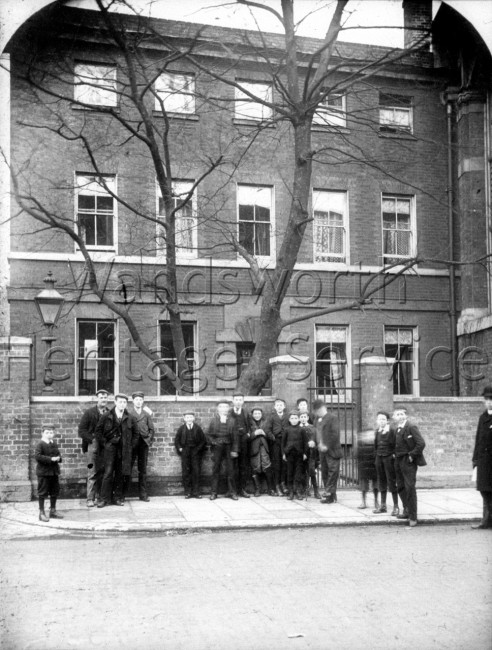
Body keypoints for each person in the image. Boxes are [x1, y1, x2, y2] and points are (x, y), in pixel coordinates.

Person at [95, 393, 139, 508]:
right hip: (110, 449)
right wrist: (105, 444)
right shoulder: (107, 416)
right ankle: (104, 499)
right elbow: (98, 431)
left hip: (124, 450)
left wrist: (131, 446)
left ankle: (117, 498)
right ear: (115, 402)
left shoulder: (130, 418)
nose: (122, 404)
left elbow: (136, 434)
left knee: (120, 474)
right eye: (120, 402)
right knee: (108, 473)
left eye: (124, 402)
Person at [393, 406, 426, 527]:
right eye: (398, 414)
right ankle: (406, 509)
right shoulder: (397, 429)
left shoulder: (411, 427)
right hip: (398, 460)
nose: (400, 416)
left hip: (408, 461)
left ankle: (413, 516)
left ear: (406, 416)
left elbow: (421, 443)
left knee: (410, 487)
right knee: (400, 486)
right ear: (394, 417)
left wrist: (412, 455)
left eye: (402, 414)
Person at [78, 388, 109, 507]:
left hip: (104, 447)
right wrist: (92, 439)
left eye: (105, 398)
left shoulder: (109, 413)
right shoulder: (89, 413)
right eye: (101, 397)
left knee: (102, 471)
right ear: (97, 398)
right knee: (92, 472)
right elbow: (81, 431)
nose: (103, 400)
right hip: (92, 446)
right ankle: (89, 499)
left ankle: (99, 497)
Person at [312, 399, 342, 504]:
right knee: (324, 473)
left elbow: (335, 434)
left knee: (332, 472)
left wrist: (326, 445)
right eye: (316, 411)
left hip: (332, 450)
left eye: (318, 410)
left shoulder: (332, 418)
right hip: (321, 451)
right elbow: (315, 432)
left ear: (323, 408)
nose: (317, 413)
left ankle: (329, 494)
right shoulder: (316, 419)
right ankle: (331, 495)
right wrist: (314, 442)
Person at [207, 400, 238, 500]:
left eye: (226, 407)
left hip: (229, 446)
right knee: (216, 468)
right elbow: (209, 435)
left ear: (228, 409)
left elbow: (235, 437)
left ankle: (232, 492)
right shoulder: (213, 420)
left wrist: (234, 450)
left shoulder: (232, 420)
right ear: (218, 409)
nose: (224, 409)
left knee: (231, 469)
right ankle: (214, 492)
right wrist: (214, 442)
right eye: (221, 407)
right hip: (217, 447)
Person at [127, 391, 155, 501]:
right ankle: (124, 493)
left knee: (142, 469)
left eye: (140, 400)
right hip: (132, 444)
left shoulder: (146, 415)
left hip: (143, 444)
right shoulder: (129, 414)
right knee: (128, 467)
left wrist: (148, 439)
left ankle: (143, 494)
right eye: (136, 400)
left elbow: (152, 429)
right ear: (133, 401)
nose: (138, 402)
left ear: (143, 401)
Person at [471, 386, 492, 530]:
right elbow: (478, 440)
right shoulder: (482, 417)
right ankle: (486, 521)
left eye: (491, 399)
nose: (489, 402)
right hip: (484, 462)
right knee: (484, 491)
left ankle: (487, 521)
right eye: (487, 399)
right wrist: (475, 460)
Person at [174, 411, 206, 499]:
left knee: (196, 471)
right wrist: (180, 448)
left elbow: (203, 441)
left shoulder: (197, 428)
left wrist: (198, 449)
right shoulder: (181, 428)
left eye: (191, 417)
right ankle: (187, 492)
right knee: (186, 472)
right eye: (187, 417)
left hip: (195, 452)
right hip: (185, 451)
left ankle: (196, 492)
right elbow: (177, 440)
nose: (189, 419)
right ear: (184, 419)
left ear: (193, 418)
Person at [35, 424, 63, 522]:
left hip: (54, 472)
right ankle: (41, 513)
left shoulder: (53, 443)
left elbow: (58, 454)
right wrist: (51, 459)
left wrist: (59, 458)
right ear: (42, 433)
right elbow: (38, 457)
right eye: (47, 432)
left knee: (54, 491)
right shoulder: (40, 444)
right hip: (44, 472)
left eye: (51, 432)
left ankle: (53, 510)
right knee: (42, 492)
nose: (49, 434)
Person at [373, 411, 399, 516]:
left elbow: (396, 445)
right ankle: (383, 506)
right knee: (381, 481)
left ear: (387, 421)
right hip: (379, 459)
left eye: (383, 419)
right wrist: (376, 457)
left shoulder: (392, 431)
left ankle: (396, 506)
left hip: (389, 459)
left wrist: (392, 455)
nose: (381, 421)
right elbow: (375, 446)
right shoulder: (377, 432)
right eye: (379, 419)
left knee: (391, 482)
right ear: (377, 421)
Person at [229, 392, 253, 497]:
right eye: (236, 400)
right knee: (233, 467)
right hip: (233, 443)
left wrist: (248, 434)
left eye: (240, 400)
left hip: (243, 443)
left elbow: (251, 426)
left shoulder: (246, 413)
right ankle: (232, 491)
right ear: (233, 401)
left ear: (243, 401)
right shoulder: (229, 413)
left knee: (243, 466)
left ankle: (242, 489)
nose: (238, 402)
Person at [282, 410, 308, 500]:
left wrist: (304, 453)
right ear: (289, 419)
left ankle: (297, 491)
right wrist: (283, 453)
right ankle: (291, 492)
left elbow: (305, 442)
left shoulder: (302, 430)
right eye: (292, 418)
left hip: (299, 454)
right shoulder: (286, 430)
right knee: (289, 473)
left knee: (298, 473)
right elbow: (283, 443)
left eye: (296, 418)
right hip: (289, 453)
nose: (294, 420)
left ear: (299, 419)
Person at [265, 398, 289, 496]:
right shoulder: (271, 417)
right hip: (276, 442)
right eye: (277, 405)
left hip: (286, 442)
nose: (279, 407)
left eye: (281, 405)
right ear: (275, 407)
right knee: (277, 464)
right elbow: (267, 430)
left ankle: (283, 484)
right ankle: (277, 485)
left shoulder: (288, 416)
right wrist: (273, 438)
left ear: (284, 406)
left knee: (284, 463)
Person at [249, 407, 275, 497]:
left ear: (261, 414)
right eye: (255, 413)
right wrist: (254, 433)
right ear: (252, 415)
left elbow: (271, 436)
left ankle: (270, 489)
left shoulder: (266, 423)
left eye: (259, 413)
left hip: (264, 448)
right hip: (254, 449)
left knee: (267, 466)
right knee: (255, 467)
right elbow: (246, 437)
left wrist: (265, 434)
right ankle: (257, 489)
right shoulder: (249, 423)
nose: (257, 415)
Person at [299, 411, 321, 499]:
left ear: (308, 418)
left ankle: (316, 491)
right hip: (301, 453)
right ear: (299, 418)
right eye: (301, 417)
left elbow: (317, 440)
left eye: (305, 417)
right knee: (302, 472)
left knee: (311, 471)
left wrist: (314, 443)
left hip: (311, 453)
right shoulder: (298, 428)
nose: (303, 418)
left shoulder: (313, 428)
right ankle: (305, 490)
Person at [356, 429, 379, 510]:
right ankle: (364, 501)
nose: (369, 437)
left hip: (374, 467)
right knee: (363, 486)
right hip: (364, 467)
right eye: (367, 435)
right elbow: (357, 456)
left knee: (376, 485)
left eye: (371, 435)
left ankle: (376, 501)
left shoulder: (377, 444)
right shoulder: (360, 444)